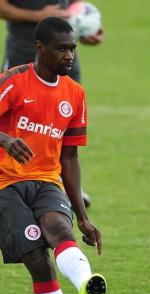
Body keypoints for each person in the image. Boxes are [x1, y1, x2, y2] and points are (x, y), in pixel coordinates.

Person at [0, 16, 106, 294]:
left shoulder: (74, 94)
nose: (69, 55)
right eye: (61, 48)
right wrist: (4, 139)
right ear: (40, 49)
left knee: (62, 230)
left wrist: (84, 216)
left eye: (72, 48)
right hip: (5, 185)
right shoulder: (14, 82)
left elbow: (70, 157)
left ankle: (86, 285)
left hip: (47, 180)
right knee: (39, 263)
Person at [0, 0, 105, 207]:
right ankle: (12, 183)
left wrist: (85, 25)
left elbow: (73, 4)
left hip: (62, 51)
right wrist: (37, 15)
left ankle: (56, 183)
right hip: (23, 51)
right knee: (18, 122)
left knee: (61, 123)